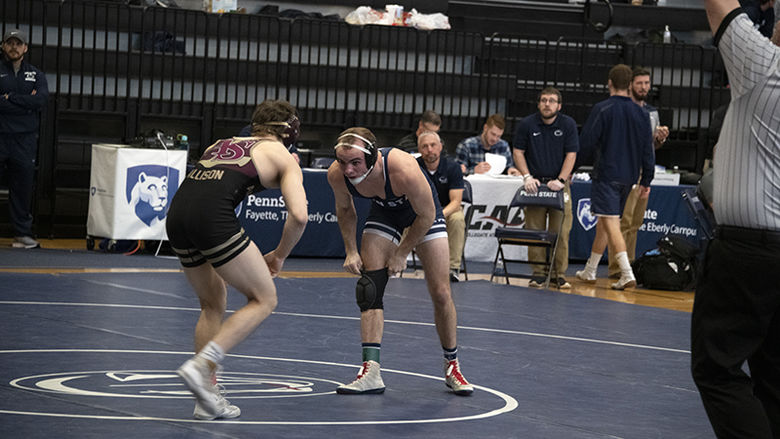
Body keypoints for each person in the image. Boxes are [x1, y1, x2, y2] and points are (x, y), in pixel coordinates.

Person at [166, 100, 308, 420]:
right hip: (211, 217)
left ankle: (206, 398)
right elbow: (299, 216)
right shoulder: (281, 155)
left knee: (212, 302)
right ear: (289, 130)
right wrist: (279, 256)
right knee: (264, 298)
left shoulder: (221, 143)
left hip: (177, 214)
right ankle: (202, 366)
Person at [327, 127, 473, 396]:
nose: (348, 170)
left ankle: (452, 365)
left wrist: (402, 252)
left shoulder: (403, 167)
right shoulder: (337, 174)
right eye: (343, 162)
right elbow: (345, 210)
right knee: (370, 288)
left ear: (372, 158)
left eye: (355, 163)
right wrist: (350, 250)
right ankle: (371, 371)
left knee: (441, 292)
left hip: (422, 215)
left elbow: (427, 215)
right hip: (385, 213)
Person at [691, 1, 780, 437]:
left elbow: (718, 6)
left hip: (749, 251)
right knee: (775, 379)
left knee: (716, 369)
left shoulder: (765, 68)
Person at [574, 64, 655, 290]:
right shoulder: (641, 113)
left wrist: (570, 168)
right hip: (629, 178)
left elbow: (587, 143)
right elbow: (647, 149)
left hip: (607, 175)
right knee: (605, 221)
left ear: (609, 83)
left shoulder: (602, 109)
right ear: (630, 85)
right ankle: (590, 270)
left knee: (611, 222)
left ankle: (626, 273)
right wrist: (647, 179)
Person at [512, 87, 579, 289]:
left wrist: (561, 179)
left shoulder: (568, 124)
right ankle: (539, 274)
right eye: (543, 100)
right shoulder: (527, 124)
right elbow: (518, 151)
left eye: (551, 101)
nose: (547, 104)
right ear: (538, 103)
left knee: (562, 230)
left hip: (559, 185)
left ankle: (559, 274)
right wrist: (526, 176)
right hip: (535, 185)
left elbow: (571, 154)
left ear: (559, 105)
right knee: (535, 230)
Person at [606, 67, 669, 278]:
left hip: (645, 170)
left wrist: (658, 139)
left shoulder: (651, 112)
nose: (644, 87)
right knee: (624, 221)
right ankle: (617, 268)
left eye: (646, 83)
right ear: (630, 85)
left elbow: (650, 147)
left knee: (635, 223)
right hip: (627, 169)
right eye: (639, 83)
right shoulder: (626, 109)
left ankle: (628, 265)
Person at [0, 29, 49, 249]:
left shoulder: (36, 74)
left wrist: (9, 98)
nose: (14, 47)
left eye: (18, 44)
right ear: (3, 46)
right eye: (9, 43)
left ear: (25, 48)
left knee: (22, 188)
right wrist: (23, 102)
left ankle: (22, 234)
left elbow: (40, 100)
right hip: (1, 135)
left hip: (25, 140)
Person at [416, 131, 466, 283]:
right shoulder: (413, 166)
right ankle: (396, 263)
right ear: (419, 149)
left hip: (446, 208)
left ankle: (453, 268)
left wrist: (438, 215)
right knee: (402, 217)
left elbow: (456, 202)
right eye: (425, 146)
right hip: (421, 209)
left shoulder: (453, 167)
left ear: (440, 147)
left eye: (433, 145)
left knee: (457, 218)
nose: (429, 149)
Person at [455, 114, 520, 176]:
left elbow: (509, 166)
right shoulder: (467, 145)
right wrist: (474, 170)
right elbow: (456, 171)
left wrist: (511, 170)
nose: (495, 139)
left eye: (499, 136)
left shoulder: (503, 146)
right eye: (493, 134)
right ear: (485, 128)